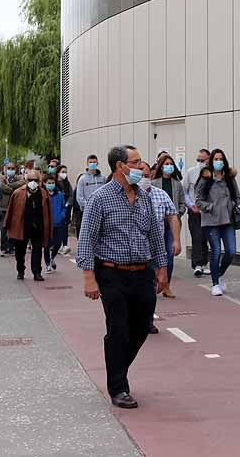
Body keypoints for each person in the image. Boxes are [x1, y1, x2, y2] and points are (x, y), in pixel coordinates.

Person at [77, 145, 168, 410]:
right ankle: (118, 386)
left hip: (142, 272)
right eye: (136, 162)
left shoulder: (144, 197)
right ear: (120, 166)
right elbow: (86, 240)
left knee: (141, 327)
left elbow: (154, 235)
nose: (142, 167)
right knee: (118, 329)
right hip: (111, 273)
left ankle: (117, 367)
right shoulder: (100, 199)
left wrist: (162, 269)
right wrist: (88, 278)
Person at [140, 161, 181, 333]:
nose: (144, 179)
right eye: (140, 175)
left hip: (155, 249)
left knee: (151, 288)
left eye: (147, 175)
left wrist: (176, 240)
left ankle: (148, 320)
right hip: (132, 250)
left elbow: (172, 216)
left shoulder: (160, 195)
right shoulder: (125, 195)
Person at [195, 148, 240, 296]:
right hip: (211, 221)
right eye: (216, 159)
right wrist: (210, 207)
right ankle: (215, 283)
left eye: (221, 159)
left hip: (228, 220)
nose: (219, 162)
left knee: (231, 251)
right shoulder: (205, 178)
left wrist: (231, 205)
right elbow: (198, 200)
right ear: (211, 161)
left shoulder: (229, 177)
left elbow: (238, 197)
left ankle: (218, 273)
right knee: (215, 251)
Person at [4, 170, 52, 281]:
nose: (33, 182)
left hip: (38, 227)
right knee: (20, 251)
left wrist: (49, 229)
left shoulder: (44, 194)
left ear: (40, 181)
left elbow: (48, 213)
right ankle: (20, 270)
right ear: (26, 180)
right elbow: (10, 210)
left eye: (36, 180)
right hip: (21, 226)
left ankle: (37, 272)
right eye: (31, 180)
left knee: (37, 250)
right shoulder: (18, 193)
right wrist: (7, 225)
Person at [150, 153, 185, 298]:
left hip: (172, 224)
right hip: (157, 223)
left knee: (169, 254)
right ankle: (153, 283)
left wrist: (177, 213)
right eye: (166, 164)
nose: (169, 167)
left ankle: (166, 285)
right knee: (155, 254)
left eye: (171, 164)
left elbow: (182, 203)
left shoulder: (177, 184)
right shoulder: (154, 183)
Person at [182, 148, 211, 276]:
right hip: (195, 210)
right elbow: (184, 191)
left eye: (202, 160)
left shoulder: (212, 173)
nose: (200, 162)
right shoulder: (191, 172)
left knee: (206, 237)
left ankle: (205, 263)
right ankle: (197, 264)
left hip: (209, 211)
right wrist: (190, 204)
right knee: (197, 236)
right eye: (198, 160)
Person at [73, 154, 107, 244]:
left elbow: (105, 193)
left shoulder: (102, 178)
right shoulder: (82, 179)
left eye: (94, 162)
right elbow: (79, 197)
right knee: (87, 235)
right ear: (87, 164)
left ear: (97, 163)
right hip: (86, 212)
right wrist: (88, 207)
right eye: (90, 162)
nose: (92, 164)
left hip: (100, 211)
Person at [43, 172, 69, 274]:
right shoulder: (43, 195)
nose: (51, 184)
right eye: (49, 183)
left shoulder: (59, 195)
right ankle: (48, 264)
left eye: (52, 182)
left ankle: (52, 257)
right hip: (47, 225)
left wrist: (62, 215)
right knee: (46, 245)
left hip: (58, 223)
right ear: (45, 183)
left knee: (58, 242)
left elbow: (63, 207)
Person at [0, 162, 26, 256]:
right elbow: (2, 187)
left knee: (14, 227)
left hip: (15, 207)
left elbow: (23, 182)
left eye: (12, 168)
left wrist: (10, 185)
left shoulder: (17, 178)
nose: (10, 170)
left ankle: (12, 246)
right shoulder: (1, 179)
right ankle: (4, 247)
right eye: (8, 168)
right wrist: (14, 188)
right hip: (4, 207)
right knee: (4, 227)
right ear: (5, 169)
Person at [56, 164, 74, 254]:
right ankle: (56, 245)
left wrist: (68, 204)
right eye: (62, 172)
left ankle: (65, 245)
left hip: (65, 208)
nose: (64, 174)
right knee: (57, 227)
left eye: (65, 172)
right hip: (56, 208)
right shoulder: (54, 183)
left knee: (65, 227)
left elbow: (71, 194)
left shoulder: (67, 183)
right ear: (58, 173)